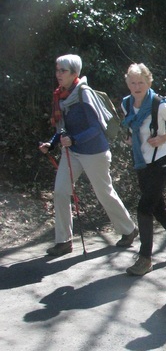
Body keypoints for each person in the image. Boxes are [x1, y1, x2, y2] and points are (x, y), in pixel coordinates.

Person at [38, 54, 138, 256]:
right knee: (60, 191)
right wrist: (52, 142)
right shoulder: (62, 95)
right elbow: (63, 128)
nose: (58, 74)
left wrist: (74, 140)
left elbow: (96, 128)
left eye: (63, 71)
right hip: (72, 152)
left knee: (104, 193)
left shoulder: (84, 94)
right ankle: (63, 241)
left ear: (75, 73)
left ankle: (129, 229)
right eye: (57, 70)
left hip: (95, 153)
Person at [121, 64, 166, 276]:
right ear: (128, 84)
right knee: (157, 206)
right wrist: (129, 138)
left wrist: (162, 138)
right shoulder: (126, 104)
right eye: (132, 83)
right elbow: (131, 128)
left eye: (141, 82)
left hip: (161, 159)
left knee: (144, 208)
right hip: (142, 162)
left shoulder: (158, 105)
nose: (136, 86)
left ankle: (145, 258)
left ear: (148, 82)